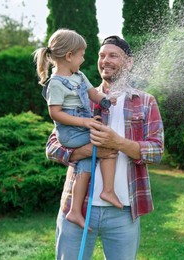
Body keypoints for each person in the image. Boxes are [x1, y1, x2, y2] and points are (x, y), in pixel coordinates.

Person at [46, 35, 164, 260]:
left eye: (113, 55)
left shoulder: (146, 102)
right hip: (77, 207)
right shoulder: (80, 96)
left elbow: (157, 151)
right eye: (101, 55)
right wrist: (90, 152)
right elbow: (52, 147)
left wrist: (118, 143)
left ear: (129, 62)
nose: (105, 60)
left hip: (123, 211)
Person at [33, 29, 123, 231]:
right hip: (70, 133)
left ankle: (74, 211)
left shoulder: (80, 76)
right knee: (108, 146)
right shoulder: (56, 83)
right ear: (69, 56)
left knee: (85, 166)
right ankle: (108, 191)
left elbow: (93, 94)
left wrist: (106, 100)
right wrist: (85, 123)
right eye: (82, 55)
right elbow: (55, 113)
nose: (83, 59)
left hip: (82, 125)